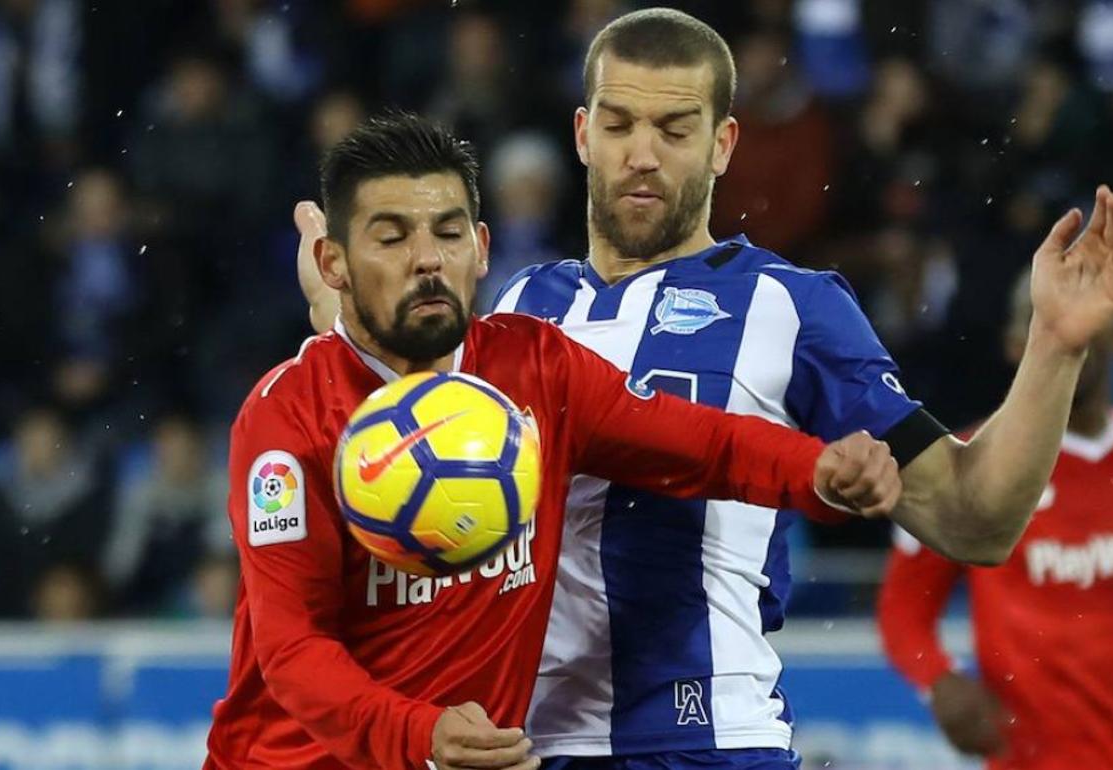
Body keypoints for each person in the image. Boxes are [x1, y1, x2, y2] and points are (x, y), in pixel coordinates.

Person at [296, 11, 1113, 768]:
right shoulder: (516, 305)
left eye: (675, 128)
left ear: (723, 144)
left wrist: (1055, 347)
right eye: (621, 124)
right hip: (526, 746)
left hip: (711, 742)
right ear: (583, 133)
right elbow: (391, 459)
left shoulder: (792, 306)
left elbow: (974, 517)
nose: (642, 154)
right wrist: (334, 310)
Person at [207, 112, 903, 770]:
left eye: (448, 234)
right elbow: (293, 649)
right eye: (391, 238)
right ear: (333, 262)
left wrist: (818, 467)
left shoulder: (535, 367)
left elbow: (698, 443)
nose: (427, 260)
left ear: (481, 250)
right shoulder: (286, 423)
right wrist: (419, 734)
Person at [877, 270, 1113, 770]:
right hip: (1030, 759)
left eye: (1088, 321)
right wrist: (940, 682)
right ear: (1018, 345)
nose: (1071, 336)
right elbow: (904, 607)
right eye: (1048, 325)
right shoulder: (966, 464)